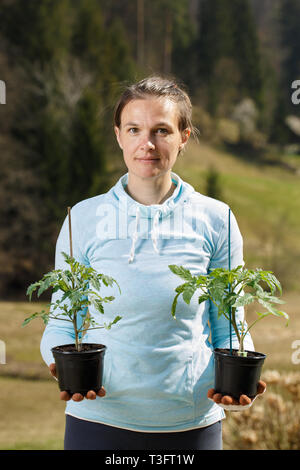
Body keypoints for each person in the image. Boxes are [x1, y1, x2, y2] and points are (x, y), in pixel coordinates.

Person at [41, 75, 265, 451]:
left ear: (184, 138)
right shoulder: (83, 218)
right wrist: (60, 367)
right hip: (98, 419)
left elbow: (230, 326)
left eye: (162, 130)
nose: (147, 144)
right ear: (118, 136)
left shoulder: (216, 218)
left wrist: (237, 384)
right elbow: (63, 322)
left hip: (190, 425)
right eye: (134, 129)